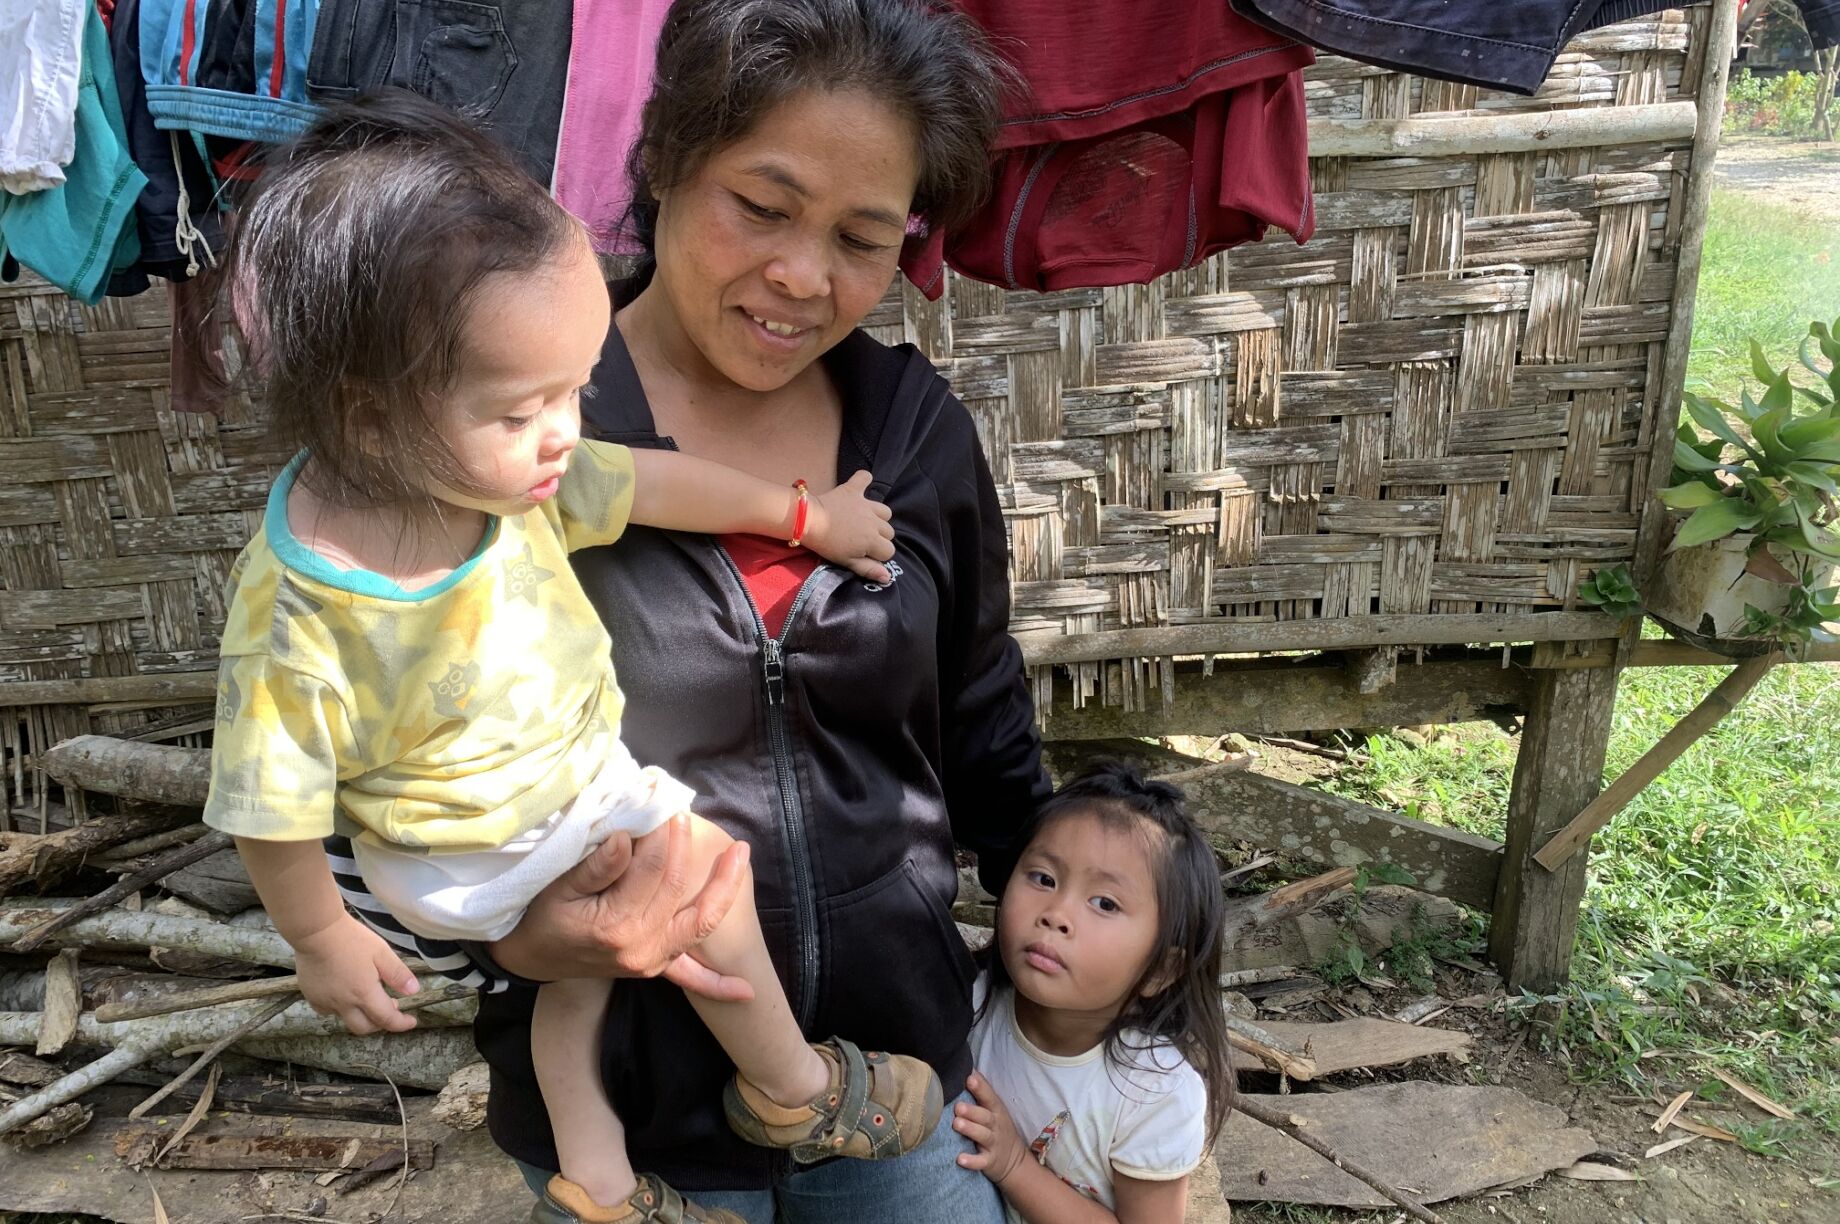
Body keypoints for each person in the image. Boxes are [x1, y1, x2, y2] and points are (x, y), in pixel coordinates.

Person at [320, 2, 1056, 1221]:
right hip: (626, 1118)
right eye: (761, 207)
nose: (803, 276)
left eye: (862, 238)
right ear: (662, 157)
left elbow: (981, 719)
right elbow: (363, 759)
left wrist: (1088, 964)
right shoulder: (504, 429)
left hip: (894, 1088)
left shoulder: (917, 436)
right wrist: (519, 944)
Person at [202, 93, 954, 1224]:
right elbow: (270, 802)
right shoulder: (304, 605)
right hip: (473, 850)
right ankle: (794, 1088)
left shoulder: (495, 476)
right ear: (367, 416)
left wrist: (803, 516)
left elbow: (648, 482)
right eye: (525, 409)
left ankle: (598, 1179)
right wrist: (320, 936)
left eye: (575, 389)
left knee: (576, 992)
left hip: (530, 818)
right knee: (706, 873)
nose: (565, 431)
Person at [954, 764, 1235, 1224]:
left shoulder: (1153, 1093)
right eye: (1043, 878)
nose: (1056, 913)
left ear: (1160, 969)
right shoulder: (971, 1001)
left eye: (1105, 903)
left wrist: (1014, 1165)